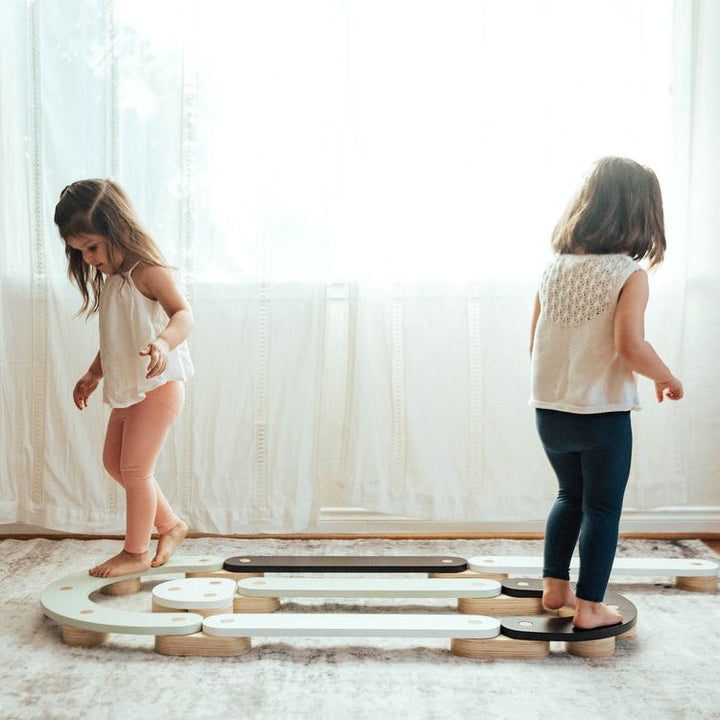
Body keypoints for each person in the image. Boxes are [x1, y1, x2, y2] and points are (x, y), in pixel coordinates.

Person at [529, 157, 683, 630]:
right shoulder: (628, 274)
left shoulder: (553, 268)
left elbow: (535, 342)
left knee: (568, 496)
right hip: (601, 414)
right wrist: (665, 376)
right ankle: (591, 607)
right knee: (602, 507)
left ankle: (555, 587)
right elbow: (630, 346)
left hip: (549, 410)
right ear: (640, 215)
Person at [54, 179, 194, 578]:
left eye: (92, 247)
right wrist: (93, 372)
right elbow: (116, 338)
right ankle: (170, 525)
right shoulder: (114, 280)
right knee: (114, 464)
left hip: (158, 386)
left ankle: (136, 552)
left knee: (134, 469)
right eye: (80, 251)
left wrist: (163, 343)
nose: (88, 259)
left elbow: (183, 314)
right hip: (129, 387)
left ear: (118, 229)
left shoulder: (148, 270)